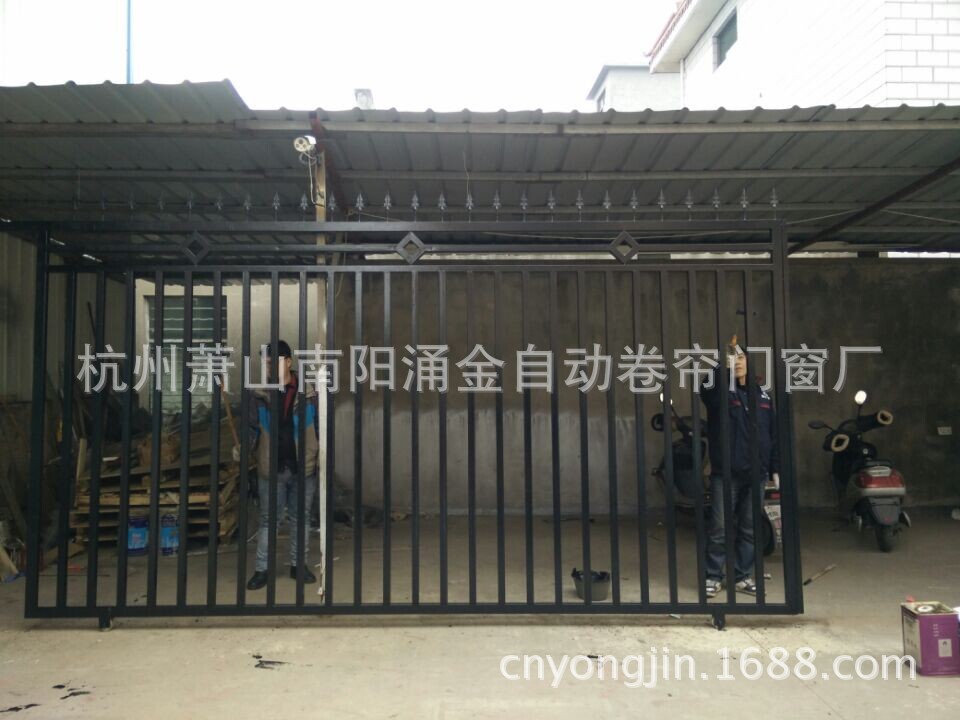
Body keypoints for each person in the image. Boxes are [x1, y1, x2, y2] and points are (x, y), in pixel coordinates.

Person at [700, 335, 779, 598]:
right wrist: (721, 364)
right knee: (720, 528)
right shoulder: (720, 392)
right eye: (733, 359)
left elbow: (772, 434)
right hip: (727, 473)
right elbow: (706, 390)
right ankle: (713, 576)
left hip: (756, 473)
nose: (738, 362)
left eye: (742, 357)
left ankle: (742, 575)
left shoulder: (763, 395)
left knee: (749, 528)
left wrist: (774, 466)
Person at [240, 340, 320, 591]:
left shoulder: (309, 393)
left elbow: (320, 427)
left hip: (303, 466)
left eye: (273, 362)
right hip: (270, 468)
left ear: (288, 362)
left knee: (300, 518)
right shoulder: (258, 394)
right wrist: (244, 448)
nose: (269, 367)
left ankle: (299, 565)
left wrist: (319, 453)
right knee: (268, 520)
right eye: (266, 363)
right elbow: (251, 429)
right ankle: (262, 569)